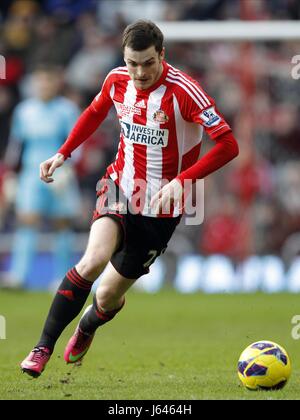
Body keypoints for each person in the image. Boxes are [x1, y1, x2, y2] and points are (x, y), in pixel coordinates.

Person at [20, 20, 239, 377]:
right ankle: (41, 347)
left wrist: (183, 181)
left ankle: (87, 326)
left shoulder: (185, 91)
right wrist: (63, 153)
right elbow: (94, 113)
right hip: (121, 187)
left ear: (162, 55)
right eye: (132, 63)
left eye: (147, 63)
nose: (139, 72)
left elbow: (229, 144)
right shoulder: (116, 79)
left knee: (106, 296)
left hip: (161, 210)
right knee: (92, 261)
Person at [2, 65, 81, 289]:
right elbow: (16, 145)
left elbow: (78, 142)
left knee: (62, 224)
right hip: (30, 174)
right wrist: (10, 173)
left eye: (49, 81)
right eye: (41, 81)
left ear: (56, 83)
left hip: (60, 173)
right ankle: (18, 276)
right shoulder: (24, 111)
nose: (44, 86)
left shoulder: (67, 110)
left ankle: (61, 278)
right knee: (27, 220)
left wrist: (69, 167)